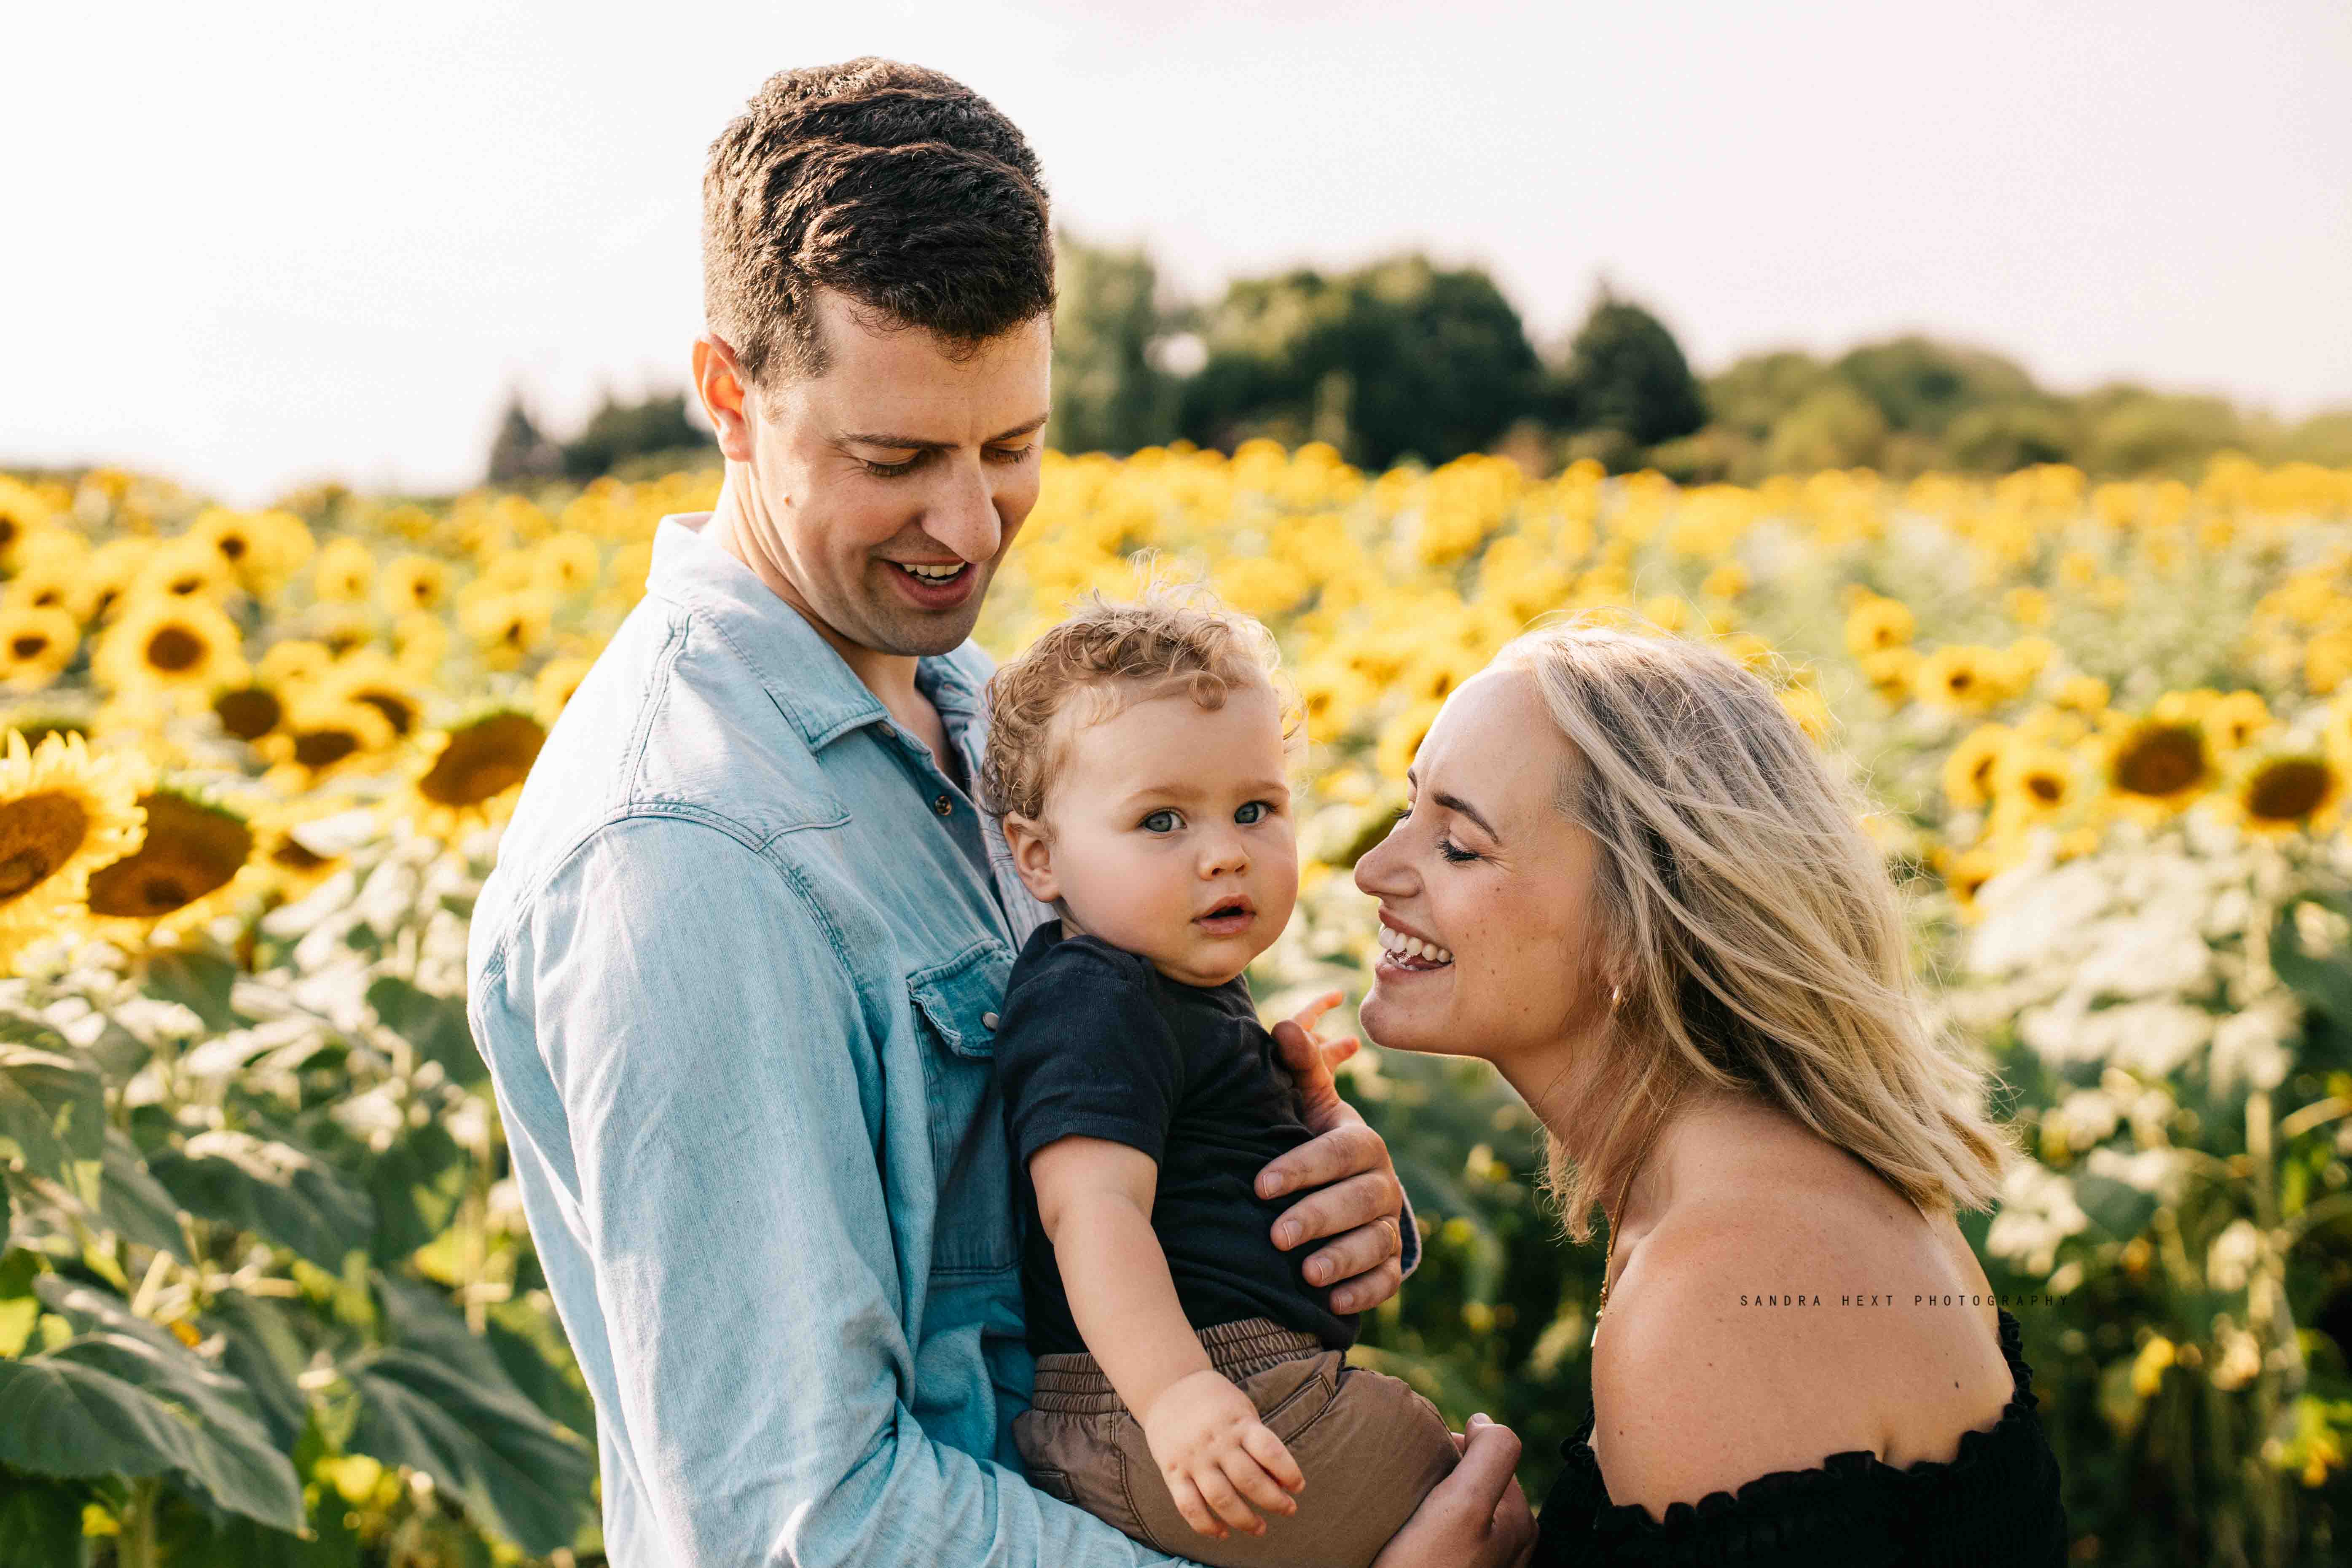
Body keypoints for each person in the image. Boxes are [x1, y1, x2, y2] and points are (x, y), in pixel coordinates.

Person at [465, 56, 1531, 1568]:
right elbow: (798, 1526)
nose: (968, 529)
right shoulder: (684, 857)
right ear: (731, 400)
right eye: (895, 461)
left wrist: (1293, 1202)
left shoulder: (984, 711)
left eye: (1012, 449)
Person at [1348, 615, 2070, 1565]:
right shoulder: (1750, 1189)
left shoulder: (1728, 1277)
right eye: (1410, 812)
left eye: (1460, 845)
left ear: (1636, 930)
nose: (1372, 869)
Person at [977, 583, 1462, 1566]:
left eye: (1255, 810)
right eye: (1163, 823)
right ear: (1039, 858)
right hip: (1166, 1396)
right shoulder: (1095, 996)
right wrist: (1178, 1395)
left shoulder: (1166, 989)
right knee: (1467, 1493)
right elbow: (1092, 1213)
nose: (1224, 856)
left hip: (1221, 1389)